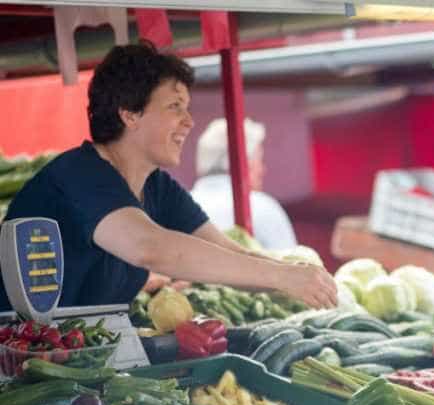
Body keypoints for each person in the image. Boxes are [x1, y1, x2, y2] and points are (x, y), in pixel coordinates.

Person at [0, 41, 336, 312]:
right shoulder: (78, 176)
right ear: (130, 114)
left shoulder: (156, 186)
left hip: (84, 356)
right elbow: (150, 248)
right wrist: (280, 274)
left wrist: (297, 279)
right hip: (23, 363)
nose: (189, 122)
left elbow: (229, 254)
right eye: (175, 106)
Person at [191, 117, 298, 251]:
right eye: (260, 160)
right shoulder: (262, 206)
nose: (263, 170)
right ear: (245, 163)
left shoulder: (175, 208)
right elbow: (292, 267)